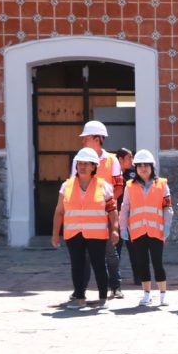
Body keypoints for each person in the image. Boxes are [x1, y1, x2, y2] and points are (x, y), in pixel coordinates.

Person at [52, 148, 119, 310]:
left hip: (96, 233)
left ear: (94, 167)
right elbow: (59, 211)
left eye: (86, 164)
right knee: (77, 265)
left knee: (98, 264)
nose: (82, 167)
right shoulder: (66, 186)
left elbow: (112, 209)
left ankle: (103, 298)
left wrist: (115, 229)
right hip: (73, 232)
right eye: (80, 164)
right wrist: (55, 234)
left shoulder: (104, 186)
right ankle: (79, 298)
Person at [71, 121, 125, 299]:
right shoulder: (78, 160)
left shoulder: (112, 160)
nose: (82, 141)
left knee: (110, 252)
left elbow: (118, 187)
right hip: (84, 217)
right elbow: (73, 186)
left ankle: (115, 286)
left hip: (106, 214)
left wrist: (107, 207)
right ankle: (80, 289)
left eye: (86, 137)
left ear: (97, 138)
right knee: (84, 256)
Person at [119, 150, 172, 307]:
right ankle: (146, 294)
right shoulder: (129, 186)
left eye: (146, 165)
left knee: (157, 262)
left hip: (156, 231)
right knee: (142, 263)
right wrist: (123, 227)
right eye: (139, 165)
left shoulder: (162, 184)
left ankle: (162, 294)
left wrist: (167, 225)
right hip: (138, 231)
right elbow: (125, 207)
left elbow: (167, 207)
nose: (143, 168)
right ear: (135, 168)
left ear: (152, 167)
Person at [115, 147, 139, 288]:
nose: (132, 161)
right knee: (115, 250)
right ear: (120, 160)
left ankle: (138, 277)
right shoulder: (113, 174)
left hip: (132, 217)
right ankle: (114, 280)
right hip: (116, 217)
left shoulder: (134, 174)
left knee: (135, 249)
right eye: (130, 157)